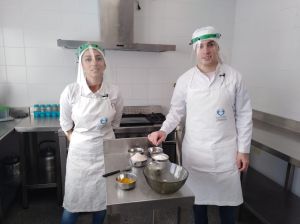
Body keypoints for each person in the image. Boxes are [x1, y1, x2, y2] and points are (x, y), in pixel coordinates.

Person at [147, 26, 252, 224]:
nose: (206, 50)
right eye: (201, 46)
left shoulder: (234, 77)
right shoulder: (186, 80)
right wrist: (163, 130)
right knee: (198, 204)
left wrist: (243, 150)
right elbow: (176, 112)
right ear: (195, 50)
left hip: (226, 154)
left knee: (228, 206)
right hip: (196, 154)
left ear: (217, 47)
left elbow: (244, 115)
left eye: (210, 44)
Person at [59, 43, 123, 224]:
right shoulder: (71, 92)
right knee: (72, 206)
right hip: (80, 157)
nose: (94, 62)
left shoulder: (114, 92)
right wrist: (80, 142)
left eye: (99, 58)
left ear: (105, 64)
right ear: (81, 64)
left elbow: (115, 122)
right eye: (88, 58)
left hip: (106, 155)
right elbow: (65, 125)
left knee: (103, 203)